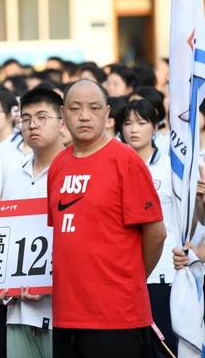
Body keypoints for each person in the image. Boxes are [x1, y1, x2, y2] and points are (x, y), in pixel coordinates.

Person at [47, 79, 166, 357]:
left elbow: (156, 233)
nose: (85, 116)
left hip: (117, 316)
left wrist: (129, 280)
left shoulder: (125, 160)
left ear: (108, 113)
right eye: (75, 108)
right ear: (63, 114)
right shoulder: (59, 165)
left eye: (94, 108)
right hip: (67, 314)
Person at [0, 87, 65, 358]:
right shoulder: (14, 175)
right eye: (26, 118)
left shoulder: (73, 173)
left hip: (60, 311)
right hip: (17, 309)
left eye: (41, 116)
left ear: (62, 121)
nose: (32, 124)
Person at [118, 99, 178, 354]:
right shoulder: (116, 166)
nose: (133, 129)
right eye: (128, 123)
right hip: (124, 275)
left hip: (164, 271)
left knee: (165, 346)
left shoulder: (169, 168)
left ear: (155, 127)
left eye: (141, 123)